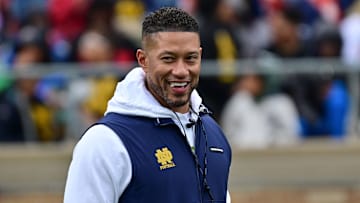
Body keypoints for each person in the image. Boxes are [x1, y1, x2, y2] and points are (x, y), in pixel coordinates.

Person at [64, 7, 232, 203]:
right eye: (168, 58)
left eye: (190, 58)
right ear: (143, 60)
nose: (180, 70)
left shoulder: (212, 132)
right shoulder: (104, 142)